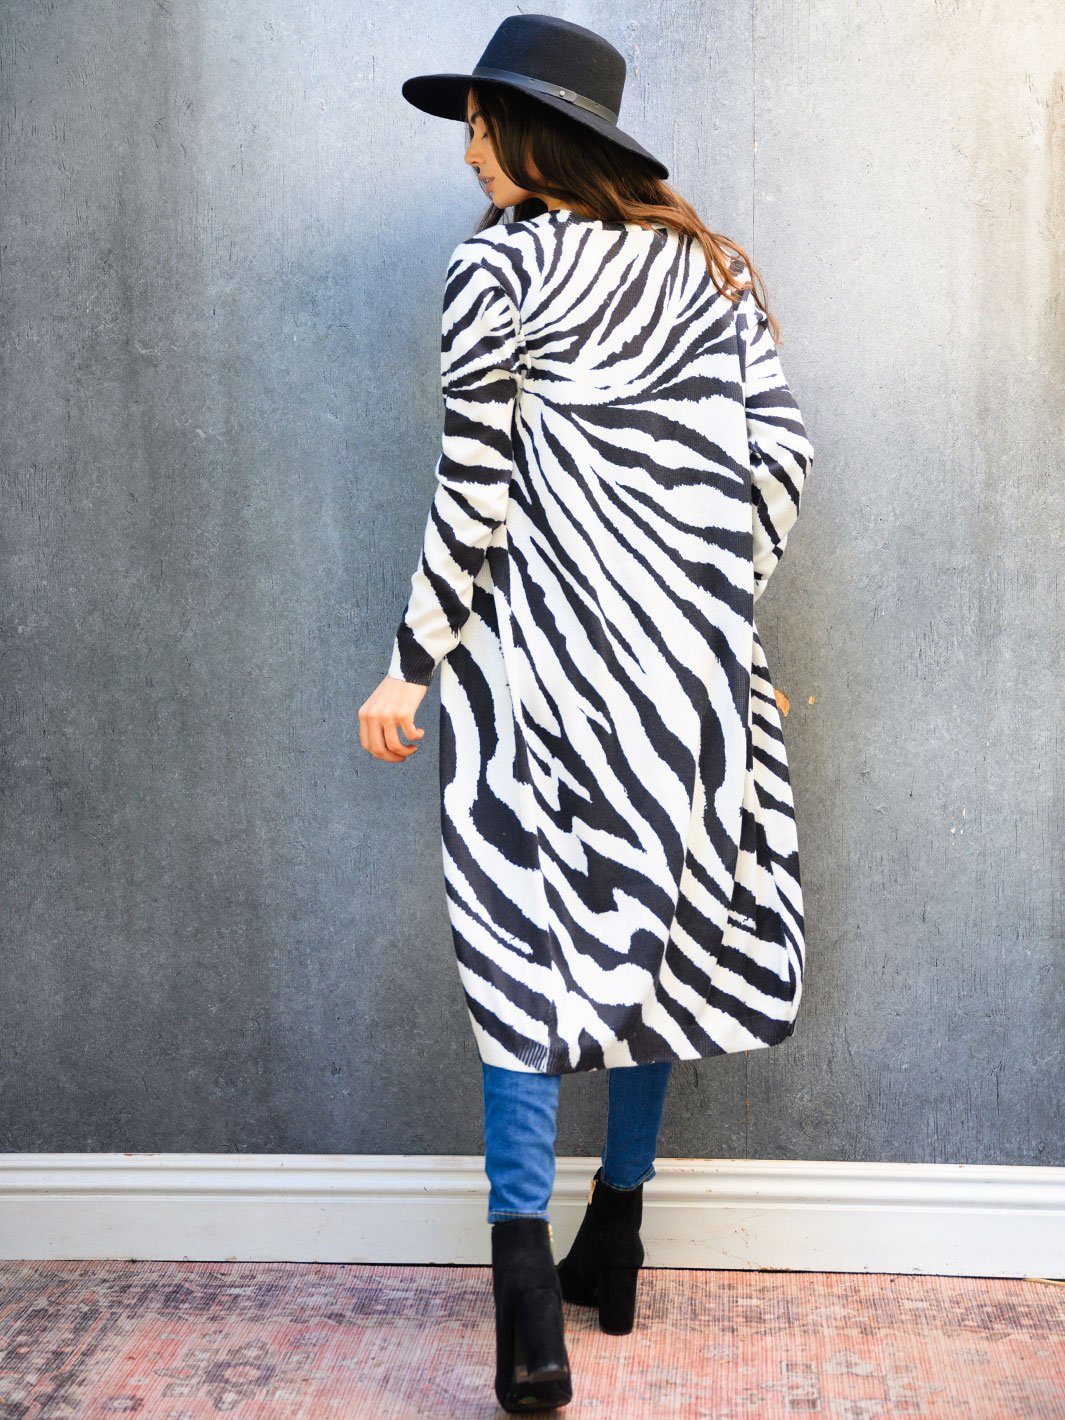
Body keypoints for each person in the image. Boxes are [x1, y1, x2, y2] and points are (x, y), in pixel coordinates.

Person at [358, 14, 815, 1413]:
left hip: (539, 676)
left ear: (539, 136)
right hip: (687, 679)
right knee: (653, 940)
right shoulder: (711, 267)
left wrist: (410, 663)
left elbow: (475, 491)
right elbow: (779, 463)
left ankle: (524, 1305)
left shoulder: (496, 269)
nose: (469, 153)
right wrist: (712, 627)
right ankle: (615, 1233)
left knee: (522, 948)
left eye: (483, 126)